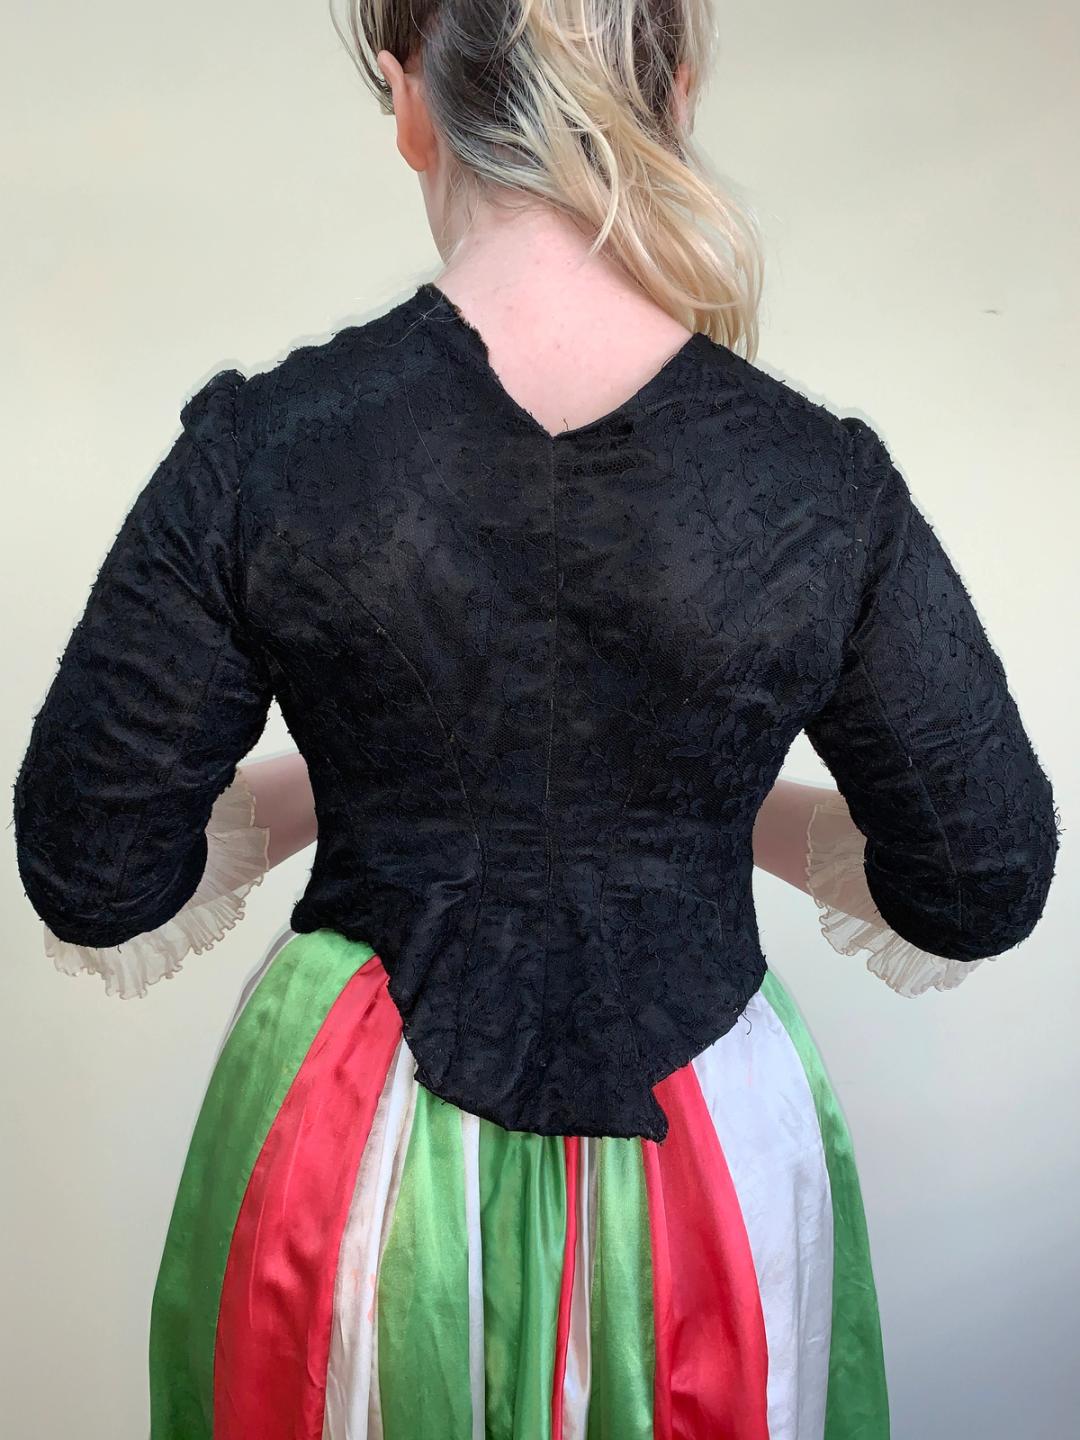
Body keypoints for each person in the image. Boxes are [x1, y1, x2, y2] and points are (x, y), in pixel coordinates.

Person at [12, 1, 1061, 1436]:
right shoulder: (819, 482)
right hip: (702, 1166)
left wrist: (364, 778)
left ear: (411, 103)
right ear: (673, 93)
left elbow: (94, 863)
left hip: (350, 1164)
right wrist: (696, 799)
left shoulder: (268, 450)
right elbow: (978, 876)